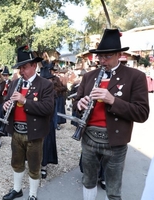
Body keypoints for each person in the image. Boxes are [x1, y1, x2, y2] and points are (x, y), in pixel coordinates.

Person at [74, 29, 149, 200]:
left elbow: (142, 113)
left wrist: (113, 100)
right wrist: (79, 104)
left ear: (119, 55)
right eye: (99, 57)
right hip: (89, 138)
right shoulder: (89, 76)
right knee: (88, 180)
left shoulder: (135, 76)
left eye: (106, 57)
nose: (102, 61)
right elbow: (76, 101)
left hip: (115, 141)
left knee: (113, 188)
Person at [2, 45, 55, 200]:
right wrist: (5, 106)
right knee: (16, 162)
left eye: (24, 67)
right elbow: (6, 101)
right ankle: (17, 189)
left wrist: (25, 100)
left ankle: (32, 194)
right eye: (20, 68)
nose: (21, 71)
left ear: (34, 65)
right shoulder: (14, 83)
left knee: (34, 164)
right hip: (16, 131)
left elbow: (47, 108)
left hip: (34, 133)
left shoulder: (45, 84)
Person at [39, 67, 58, 179]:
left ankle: (44, 166)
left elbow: (51, 110)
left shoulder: (53, 93)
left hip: (47, 121)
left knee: (46, 144)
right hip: (36, 122)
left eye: (49, 80)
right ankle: (35, 163)